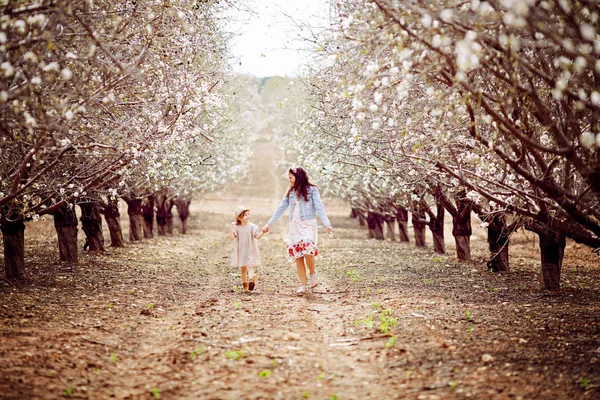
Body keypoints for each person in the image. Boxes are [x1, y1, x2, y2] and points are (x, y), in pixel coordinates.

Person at [262, 167, 333, 295]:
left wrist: (327, 223)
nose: (289, 180)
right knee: (298, 256)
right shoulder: (291, 192)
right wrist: (269, 224)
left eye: (290, 177)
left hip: (308, 225)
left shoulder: (312, 190)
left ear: (298, 177)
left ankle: (312, 275)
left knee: (307, 250)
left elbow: (320, 207)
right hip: (295, 227)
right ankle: (303, 285)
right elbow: (280, 208)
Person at [229, 206, 264, 293]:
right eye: (245, 215)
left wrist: (263, 232)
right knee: (243, 268)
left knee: (251, 265)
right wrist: (232, 227)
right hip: (241, 250)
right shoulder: (237, 228)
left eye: (248, 214)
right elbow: (232, 237)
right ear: (239, 217)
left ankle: (251, 280)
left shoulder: (252, 227)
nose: (248, 216)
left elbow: (257, 237)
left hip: (250, 249)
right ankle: (245, 286)